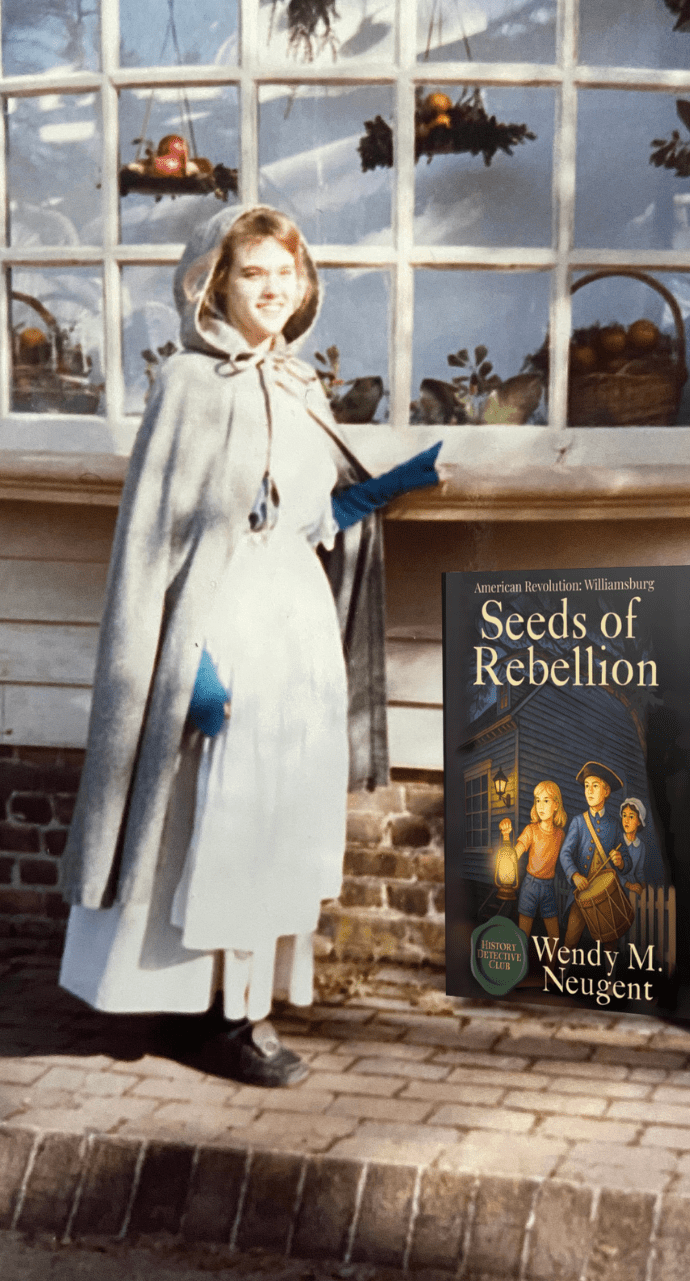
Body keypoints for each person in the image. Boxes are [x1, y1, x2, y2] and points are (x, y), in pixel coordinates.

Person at [58, 204, 440, 1087]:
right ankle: (218, 1018)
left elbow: (304, 516)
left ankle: (241, 999)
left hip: (294, 625)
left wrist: (378, 491)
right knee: (214, 813)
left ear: (306, 286)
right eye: (253, 273)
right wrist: (184, 662)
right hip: (223, 622)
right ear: (214, 285)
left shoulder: (302, 385)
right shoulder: (190, 385)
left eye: (286, 273)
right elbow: (156, 540)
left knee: (274, 810)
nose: (273, 289)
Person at [557, 761, 625, 948]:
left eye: (595, 786)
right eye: (587, 786)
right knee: (570, 940)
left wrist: (620, 861)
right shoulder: (578, 822)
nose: (589, 791)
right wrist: (575, 875)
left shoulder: (614, 825)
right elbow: (565, 853)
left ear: (606, 791)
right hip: (582, 895)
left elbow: (626, 859)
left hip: (606, 895)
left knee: (610, 945)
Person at [513, 782, 566, 940]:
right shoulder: (531, 830)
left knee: (554, 936)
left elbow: (567, 856)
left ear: (556, 805)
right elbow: (517, 851)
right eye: (537, 800)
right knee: (523, 933)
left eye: (546, 800)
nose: (540, 806)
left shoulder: (560, 835)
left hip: (549, 887)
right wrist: (509, 857)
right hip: (530, 885)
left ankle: (551, 958)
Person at [618, 797, 648, 898]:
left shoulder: (641, 846)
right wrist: (628, 885)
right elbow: (612, 871)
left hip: (633, 889)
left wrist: (644, 887)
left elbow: (639, 872)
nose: (626, 820)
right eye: (624, 815)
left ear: (639, 821)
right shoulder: (617, 840)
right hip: (618, 885)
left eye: (631, 817)